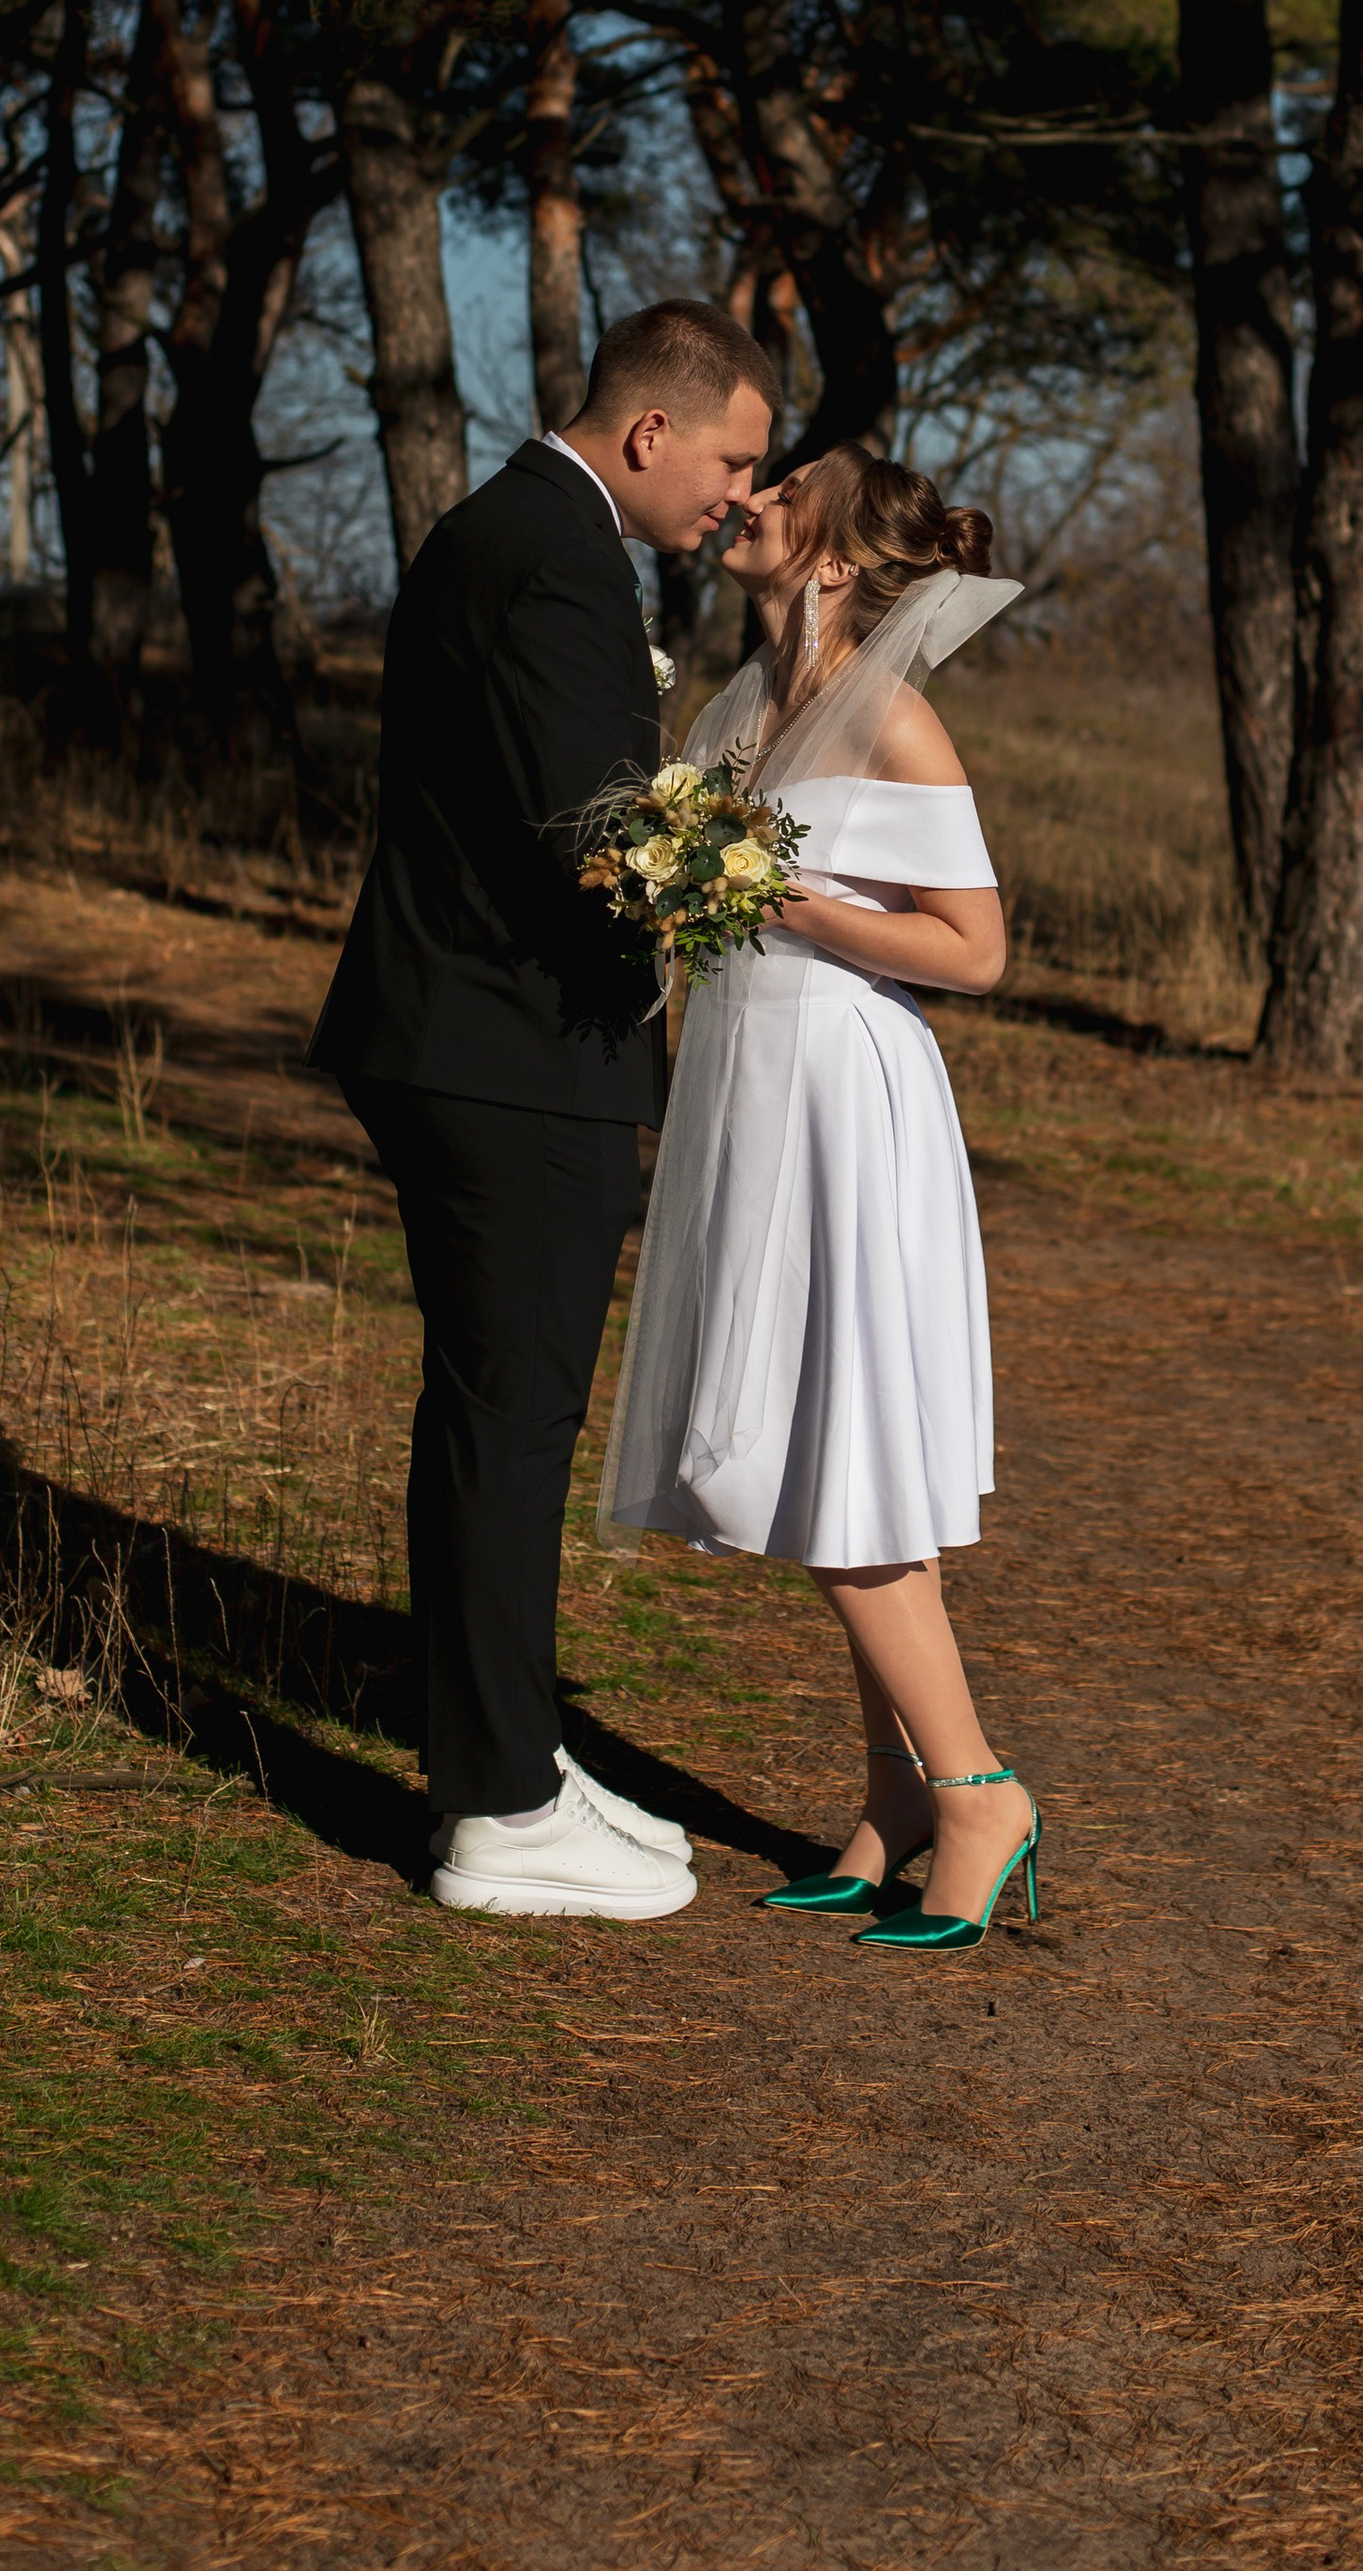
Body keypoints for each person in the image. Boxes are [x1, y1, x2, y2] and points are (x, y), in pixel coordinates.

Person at [309, 299, 778, 1920]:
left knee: (496, 1414)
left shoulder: (508, 532)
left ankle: (510, 1754)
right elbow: (599, 837)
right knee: (511, 1425)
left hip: (466, 1035)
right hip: (503, 1051)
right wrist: (724, 897)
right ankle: (501, 1811)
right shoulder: (559, 556)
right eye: (730, 461)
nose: (733, 497)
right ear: (653, 433)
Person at [599, 445, 1040, 1955]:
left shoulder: (896, 721)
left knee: (838, 1438)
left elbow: (975, 951)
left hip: (844, 1096)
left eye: (784, 494)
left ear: (840, 563)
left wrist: (770, 888)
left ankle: (980, 1790)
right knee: (814, 1442)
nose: (753, 501)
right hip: (744, 1082)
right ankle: (896, 1794)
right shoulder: (743, 706)